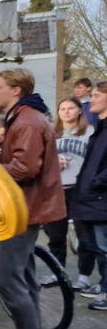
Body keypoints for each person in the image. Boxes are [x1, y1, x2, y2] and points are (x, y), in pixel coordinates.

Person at [0, 68, 66, 329]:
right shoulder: (25, 117)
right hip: (25, 208)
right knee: (25, 276)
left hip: (23, 211)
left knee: (9, 279)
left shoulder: (27, 121)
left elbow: (24, 168)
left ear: (15, 90)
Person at [43, 98, 100, 295]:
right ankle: (57, 272)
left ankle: (84, 276)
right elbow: (40, 160)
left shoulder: (90, 132)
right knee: (55, 234)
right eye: (62, 109)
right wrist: (53, 161)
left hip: (80, 190)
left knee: (85, 235)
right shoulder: (51, 133)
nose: (66, 112)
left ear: (79, 111)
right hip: (56, 189)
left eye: (70, 108)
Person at [71, 81, 107, 311]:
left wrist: (96, 183)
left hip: (100, 199)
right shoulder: (100, 129)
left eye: (95, 95)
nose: (90, 100)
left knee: (104, 247)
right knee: (96, 246)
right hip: (91, 199)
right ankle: (103, 285)